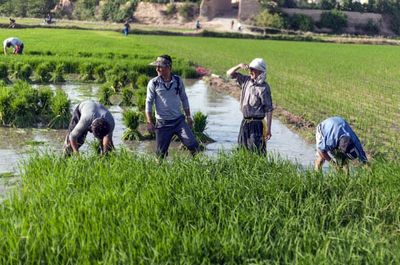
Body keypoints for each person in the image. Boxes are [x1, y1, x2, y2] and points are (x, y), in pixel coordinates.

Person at [145, 55, 199, 158]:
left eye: (160, 67)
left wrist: (188, 116)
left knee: (193, 145)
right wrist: (149, 122)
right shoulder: (154, 83)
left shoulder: (178, 81)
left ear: (169, 67)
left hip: (179, 121)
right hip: (162, 123)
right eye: (157, 66)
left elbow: (184, 98)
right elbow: (148, 102)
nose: (157, 69)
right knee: (160, 154)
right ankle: (159, 171)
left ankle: (195, 167)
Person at [227, 58, 273, 153]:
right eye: (250, 69)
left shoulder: (264, 88)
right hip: (245, 122)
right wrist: (239, 66)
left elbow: (269, 109)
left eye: (253, 70)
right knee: (242, 149)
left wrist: (268, 129)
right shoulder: (246, 81)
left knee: (256, 150)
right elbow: (229, 74)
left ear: (260, 71)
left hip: (257, 124)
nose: (250, 72)